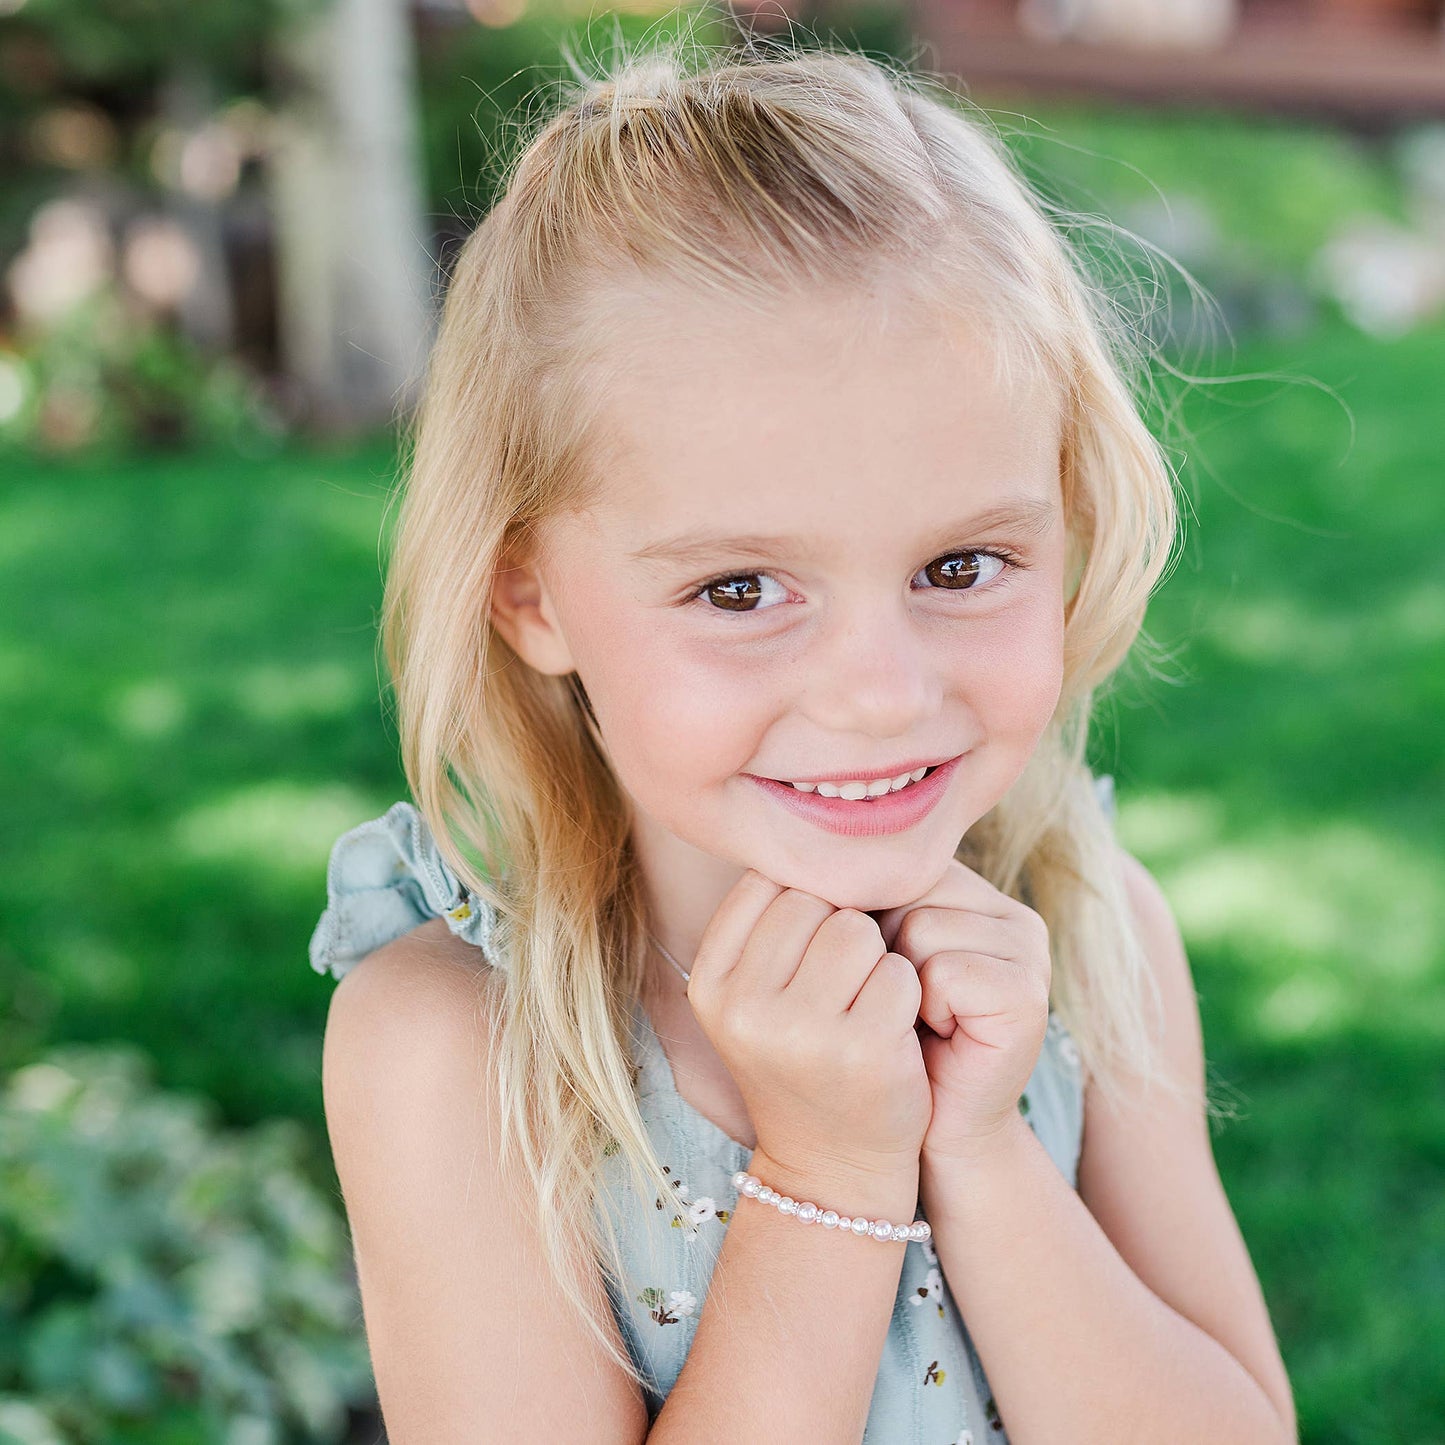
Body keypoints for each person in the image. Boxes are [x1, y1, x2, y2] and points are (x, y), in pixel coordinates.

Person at [306, 34, 1297, 1445]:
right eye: (739, 590)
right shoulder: (454, 1043)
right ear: (528, 592)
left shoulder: (1092, 936)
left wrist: (977, 1147)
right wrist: (830, 1165)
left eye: (960, 565)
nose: (880, 692)